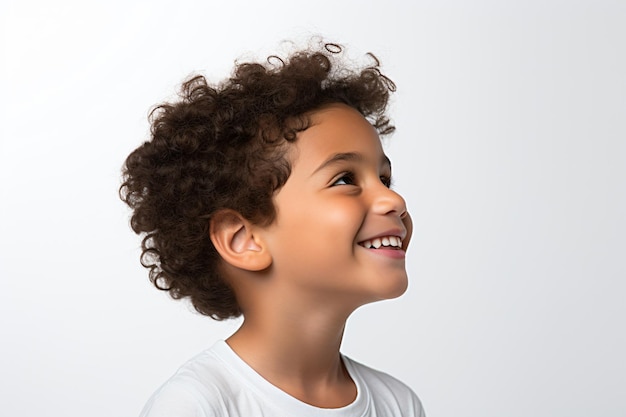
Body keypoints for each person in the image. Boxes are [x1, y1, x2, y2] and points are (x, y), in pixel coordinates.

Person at [120, 41, 425, 417]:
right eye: (345, 179)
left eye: (385, 178)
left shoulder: (398, 405)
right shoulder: (197, 406)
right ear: (243, 239)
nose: (393, 201)